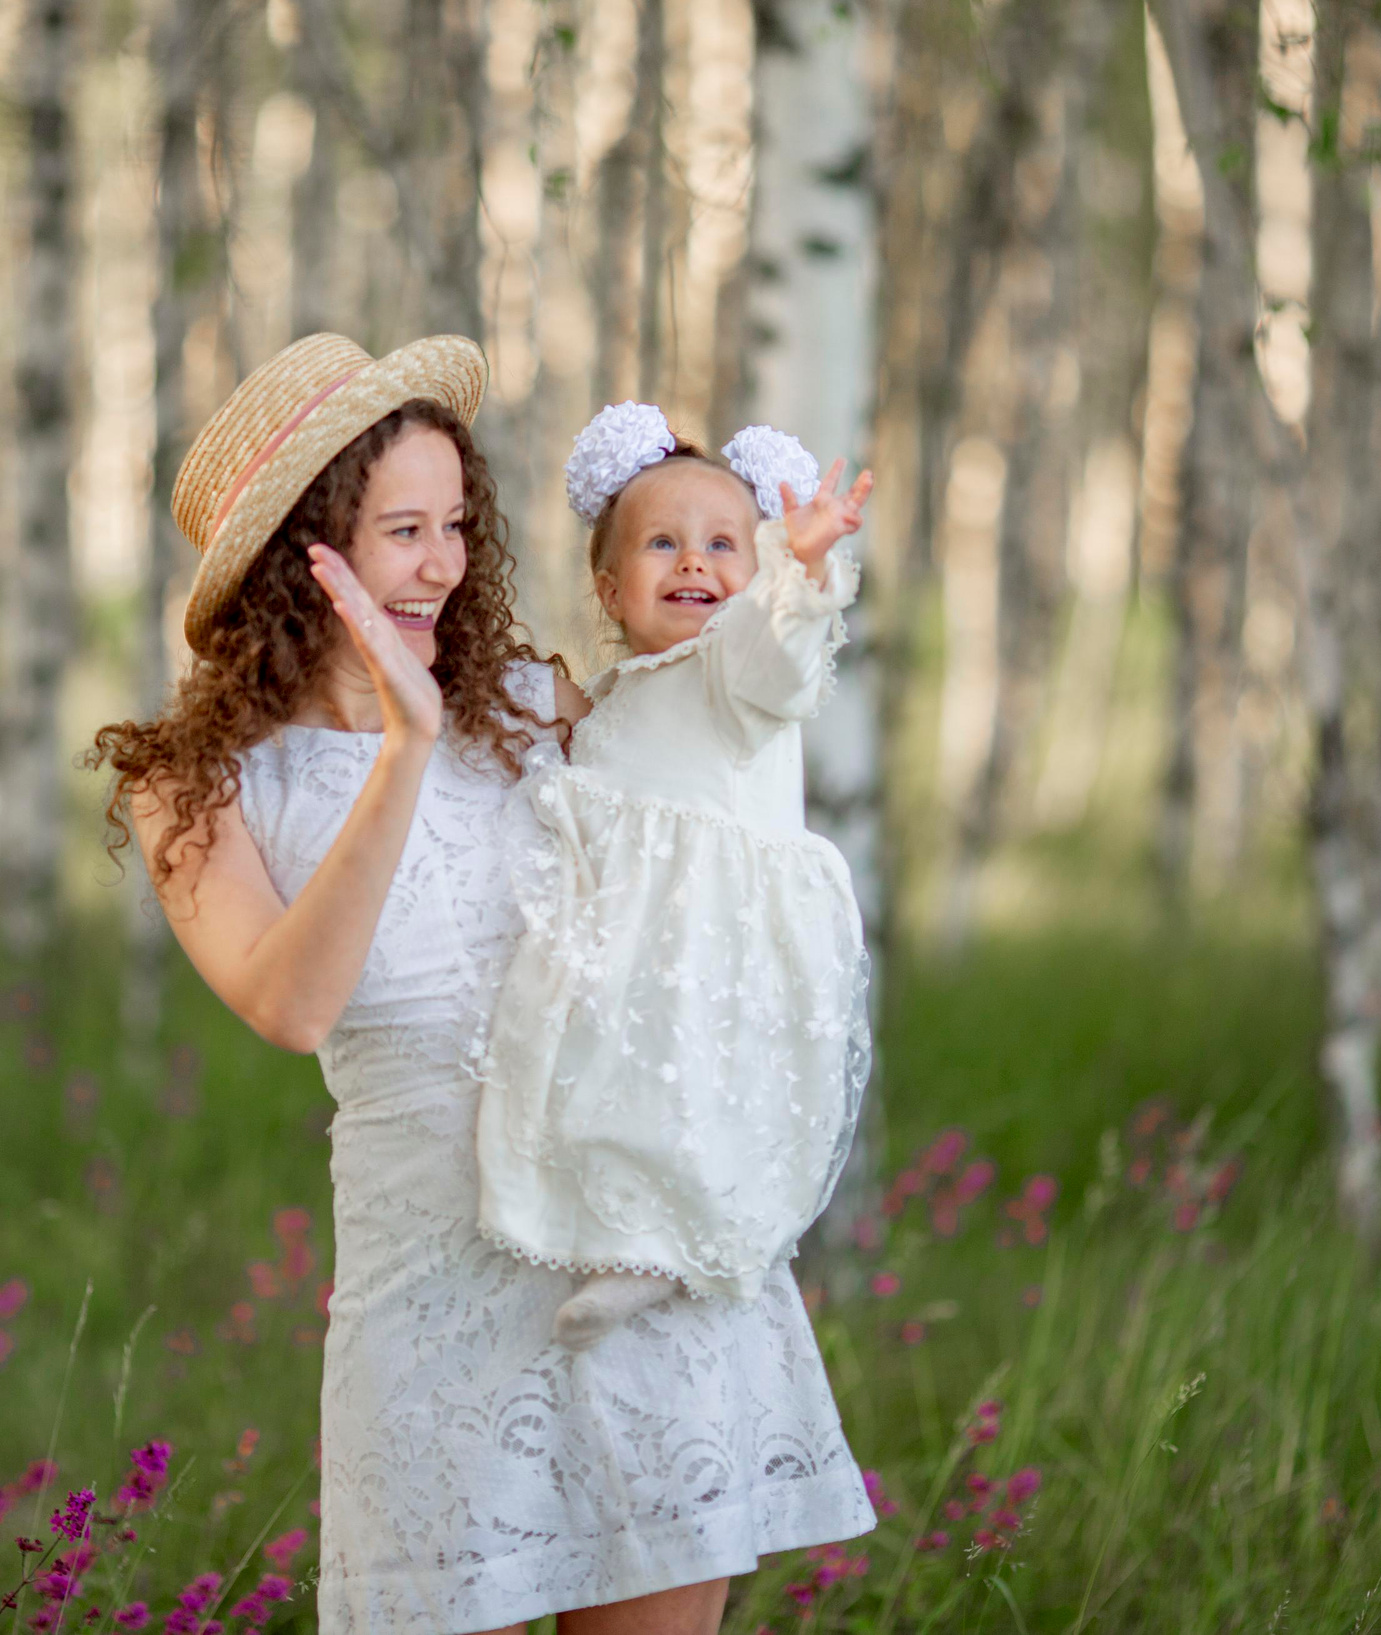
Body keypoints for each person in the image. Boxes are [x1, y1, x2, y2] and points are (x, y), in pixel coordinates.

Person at [91, 335, 873, 1635]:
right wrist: (403, 743)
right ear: (305, 548)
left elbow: (715, 828)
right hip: (432, 1326)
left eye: (456, 522)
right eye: (404, 527)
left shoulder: (539, 701)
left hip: (636, 1283)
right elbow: (292, 1005)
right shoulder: (202, 782)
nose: (445, 562)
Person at [473, 404, 875, 1353]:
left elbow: (781, 659)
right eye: (664, 543)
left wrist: (801, 570)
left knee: (695, 1081)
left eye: (725, 545)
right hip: (626, 928)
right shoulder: (621, 692)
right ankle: (602, 1221)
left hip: (710, 928)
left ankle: (663, 1249)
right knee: (605, 1069)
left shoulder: (735, 667)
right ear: (610, 589)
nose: (695, 562)